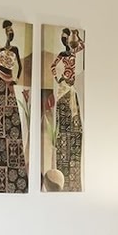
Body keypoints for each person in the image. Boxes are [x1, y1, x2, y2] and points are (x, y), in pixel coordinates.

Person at [0, 20, 28, 193]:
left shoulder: (15, 49)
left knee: (12, 119)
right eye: (8, 30)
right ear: (5, 32)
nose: (10, 32)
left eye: (11, 29)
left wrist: (16, 79)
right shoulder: (0, 50)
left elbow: (20, 66)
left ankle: (15, 172)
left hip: (9, 82)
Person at [45, 27, 84, 191]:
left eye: (67, 37)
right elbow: (53, 67)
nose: (66, 40)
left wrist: (77, 34)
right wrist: (59, 78)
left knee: (75, 126)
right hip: (63, 89)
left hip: (71, 89)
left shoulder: (74, 52)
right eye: (64, 38)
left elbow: (83, 45)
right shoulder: (62, 55)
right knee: (63, 126)